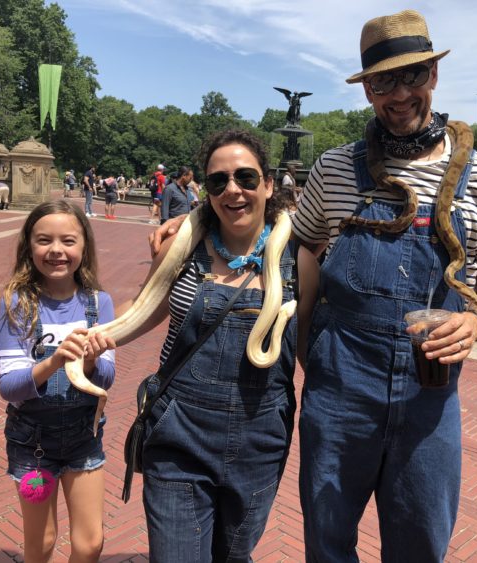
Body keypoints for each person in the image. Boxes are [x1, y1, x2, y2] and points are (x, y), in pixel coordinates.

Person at [150, 11, 477, 560]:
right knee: (326, 542)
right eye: (382, 81)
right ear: (367, 89)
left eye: (412, 75)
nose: (399, 94)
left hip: (430, 397)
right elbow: (300, 244)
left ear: (433, 77)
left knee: (420, 544)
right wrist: (200, 220)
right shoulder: (335, 170)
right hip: (341, 391)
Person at [119, 129, 318, 561]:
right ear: (205, 191)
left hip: (260, 440)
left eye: (246, 178)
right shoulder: (180, 246)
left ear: (268, 184)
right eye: (217, 181)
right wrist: (94, 334)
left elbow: (307, 351)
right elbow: (146, 307)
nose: (233, 190)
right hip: (179, 432)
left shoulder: (300, 258)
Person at [0, 199, 116, 562]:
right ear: (29, 246)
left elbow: (106, 379)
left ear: (84, 246)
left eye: (68, 241)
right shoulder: (16, 303)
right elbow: (8, 386)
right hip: (32, 443)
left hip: (83, 437)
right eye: (44, 240)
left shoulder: (99, 302)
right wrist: (54, 362)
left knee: (90, 543)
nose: (56, 251)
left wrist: (92, 361)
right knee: (43, 541)